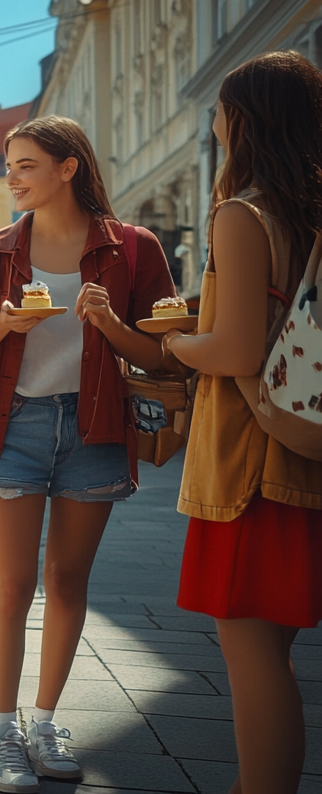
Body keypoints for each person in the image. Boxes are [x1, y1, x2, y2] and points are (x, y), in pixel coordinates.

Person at [0, 115, 176, 794]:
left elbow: (164, 356)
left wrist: (109, 323)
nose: (11, 177)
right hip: (8, 426)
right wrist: (5, 322)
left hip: (94, 427)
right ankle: (2, 732)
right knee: (12, 587)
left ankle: (45, 723)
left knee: (69, 583)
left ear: (67, 167)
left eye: (24, 166)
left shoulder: (134, 249)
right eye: (9, 165)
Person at [168, 51, 322, 794]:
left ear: (246, 121)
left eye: (222, 113)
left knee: (253, 653)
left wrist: (175, 339)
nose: (217, 127)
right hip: (304, 451)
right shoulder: (309, 208)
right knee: (277, 649)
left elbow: (231, 349)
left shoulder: (243, 212)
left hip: (249, 465)